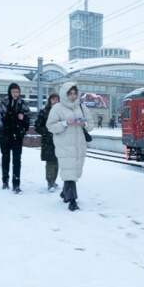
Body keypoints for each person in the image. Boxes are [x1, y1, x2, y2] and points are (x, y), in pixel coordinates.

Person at [47, 82, 93, 211]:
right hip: (64, 145)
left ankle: (64, 192)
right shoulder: (57, 108)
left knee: (73, 172)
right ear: (64, 94)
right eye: (70, 93)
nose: (73, 96)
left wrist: (83, 123)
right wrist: (65, 123)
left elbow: (91, 125)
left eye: (75, 93)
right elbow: (50, 126)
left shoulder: (82, 107)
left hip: (79, 145)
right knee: (70, 172)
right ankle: (72, 200)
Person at [0, 83, 30, 193]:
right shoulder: (3, 103)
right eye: (13, 91)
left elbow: (29, 119)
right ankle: (5, 181)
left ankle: (16, 184)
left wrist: (23, 119)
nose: (15, 94)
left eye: (17, 91)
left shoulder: (23, 104)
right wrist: (1, 133)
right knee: (5, 159)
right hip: (5, 135)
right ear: (10, 92)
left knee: (17, 160)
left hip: (17, 136)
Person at [34, 93, 60, 192]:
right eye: (53, 99)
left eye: (57, 99)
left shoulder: (62, 112)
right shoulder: (44, 112)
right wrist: (47, 132)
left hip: (59, 140)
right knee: (50, 161)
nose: (55, 101)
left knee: (57, 161)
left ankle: (54, 180)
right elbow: (37, 126)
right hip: (48, 141)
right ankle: (50, 182)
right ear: (50, 100)